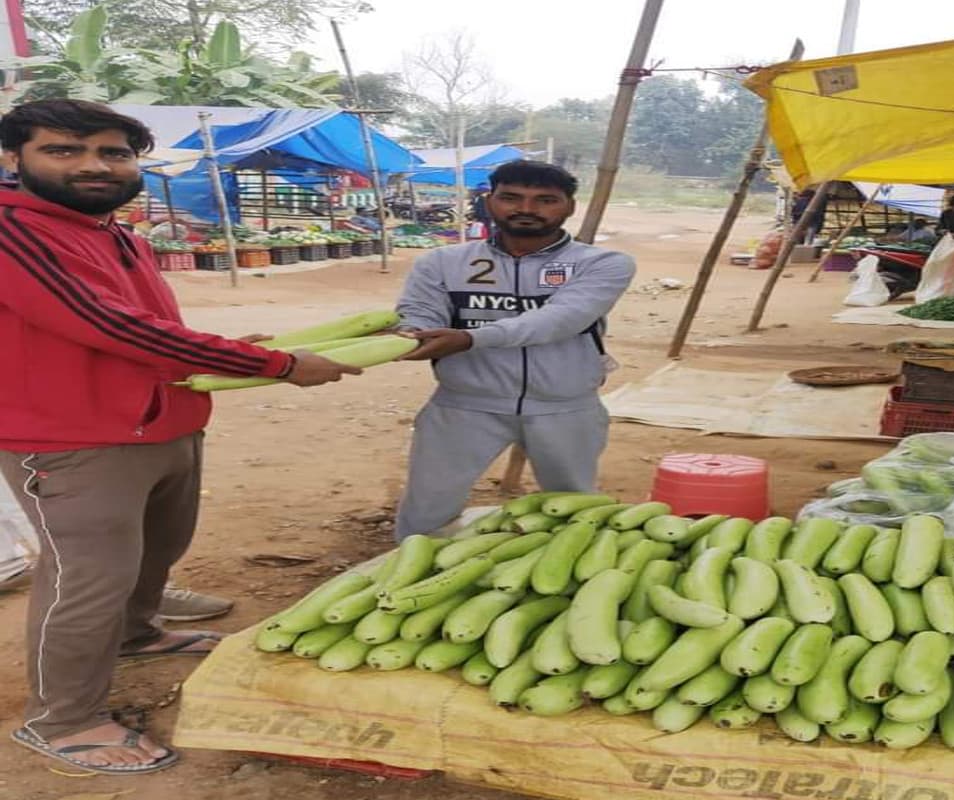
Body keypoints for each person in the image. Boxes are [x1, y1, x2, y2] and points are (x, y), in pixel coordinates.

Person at [0, 100, 363, 775]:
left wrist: (220, 350)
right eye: (64, 150)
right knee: (86, 578)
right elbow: (105, 325)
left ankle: (137, 632)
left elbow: (145, 325)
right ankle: (64, 720)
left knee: (159, 546)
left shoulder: (119, 234)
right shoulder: (11, 231)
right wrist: (274, 365)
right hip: (74, 438)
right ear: (13, 158)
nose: (93, 165)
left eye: (112, 152)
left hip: (162, 416)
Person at [393, 161, 635, 538]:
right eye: (511, 198)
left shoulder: (603, 264)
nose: (527, 209)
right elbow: (419, 314)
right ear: (490, 202)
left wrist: (471, 338)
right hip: (463, 405)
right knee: (426, 510)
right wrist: (410, 332)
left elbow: (561, 319)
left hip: (565, 407)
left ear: (570, 207)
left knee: (573, 509)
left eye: (545, 200)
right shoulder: (441, 262)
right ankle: (404, 587)